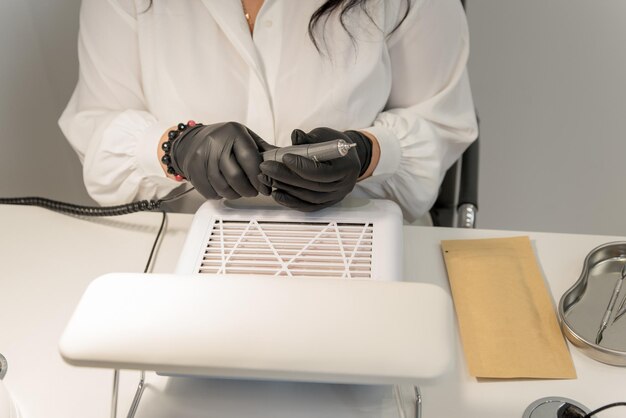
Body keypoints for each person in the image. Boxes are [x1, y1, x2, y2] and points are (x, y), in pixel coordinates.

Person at [59, 0, 478, 224]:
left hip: (360, 244)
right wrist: (175, 147)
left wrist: (368, 154)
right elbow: (99, 124)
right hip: (181, 256)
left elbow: (439, 122)